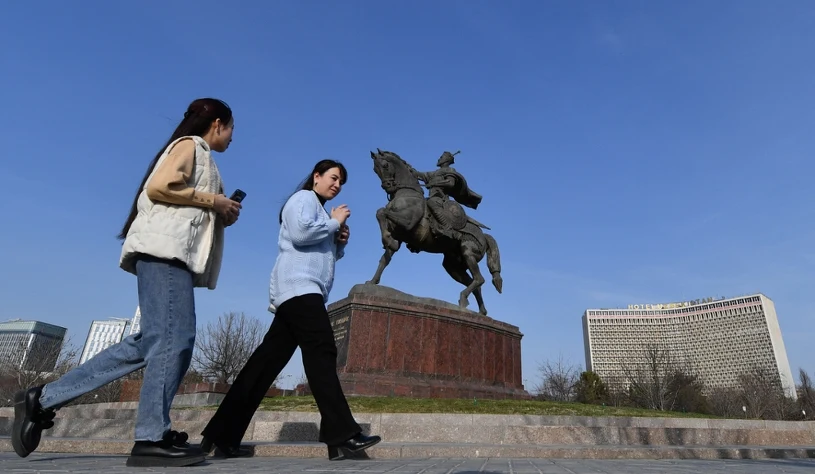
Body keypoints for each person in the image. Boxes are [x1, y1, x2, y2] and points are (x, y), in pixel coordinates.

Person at [10, 98, 243, 468]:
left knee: (154, 341)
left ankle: (43, 399)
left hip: (170, 255)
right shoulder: (189, 146)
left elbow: (179, 199)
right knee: (174, 339)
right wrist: (213, 201)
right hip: (164, 254)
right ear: (217, 123)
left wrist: (220, 211)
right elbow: (161, 187)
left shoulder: (201, 155)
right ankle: (151, 436)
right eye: (232, 129)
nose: (232, 138)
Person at [199, 159, 381, 461]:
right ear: (317, 177)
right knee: (322, 349)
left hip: (303, 291)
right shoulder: (302, 199)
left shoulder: (319, 210)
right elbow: (299, 235)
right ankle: (343, 434)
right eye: (333, 178)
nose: (336, 185)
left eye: (341, 182)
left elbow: (317, 250)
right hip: (299, 287)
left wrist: (338, 242)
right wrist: (334, 222)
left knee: (264, 364)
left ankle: (221, 435)